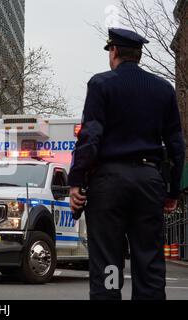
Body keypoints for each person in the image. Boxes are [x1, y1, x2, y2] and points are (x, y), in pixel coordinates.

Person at [69, 28, 186, 300]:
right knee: (150, 263)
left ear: (114, 52)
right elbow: (176, 145)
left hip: (108, 183)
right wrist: (173, 191)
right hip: (149, 180)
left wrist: (77, 180)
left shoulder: (101, 84)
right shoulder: (163, 89)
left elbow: (90, 136)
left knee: (108, 260)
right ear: (139, 55)